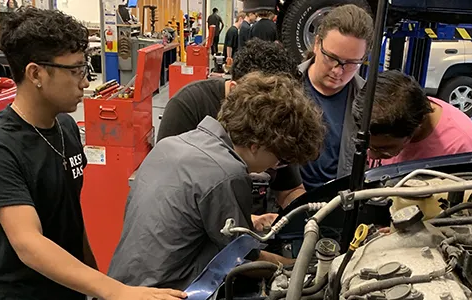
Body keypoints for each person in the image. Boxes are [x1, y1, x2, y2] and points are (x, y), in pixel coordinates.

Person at [0, 7, 186, 300]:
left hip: (69, 290)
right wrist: (115, 291)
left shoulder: (66, 127)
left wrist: (96, 282)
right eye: (75, 71)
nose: (85, 82)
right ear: (36, 73)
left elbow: (71, 217)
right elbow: (28, 243)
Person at [107, 72, 325, 290]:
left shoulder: (174, 144)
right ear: (255, 146)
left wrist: (248, 221)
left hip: (120, 287)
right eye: (279, 159)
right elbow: (244, 260)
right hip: (165, 291)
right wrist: (303, 265)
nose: (273, 167)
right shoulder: (227, 173)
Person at [157, 38, 303, 210]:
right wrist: (243, 223)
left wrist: (303, 217)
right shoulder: (188, 106)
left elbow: (290, 189)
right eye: (261, 104)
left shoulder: (278, 114)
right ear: (234, 89)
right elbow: (168, 192)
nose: (269, 117)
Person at [293, 4, 373, 193]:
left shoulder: (367, 101)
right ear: (317, 43)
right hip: (284, 205)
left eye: (351, 63)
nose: (338, 70)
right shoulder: (286, 86)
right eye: (331, 58)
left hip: (339, 203)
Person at [353, 70, 472, 167]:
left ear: (418, 125)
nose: (371, 156)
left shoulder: (465, 147)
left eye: (384, 149)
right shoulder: (392, 109)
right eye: (369, 146)